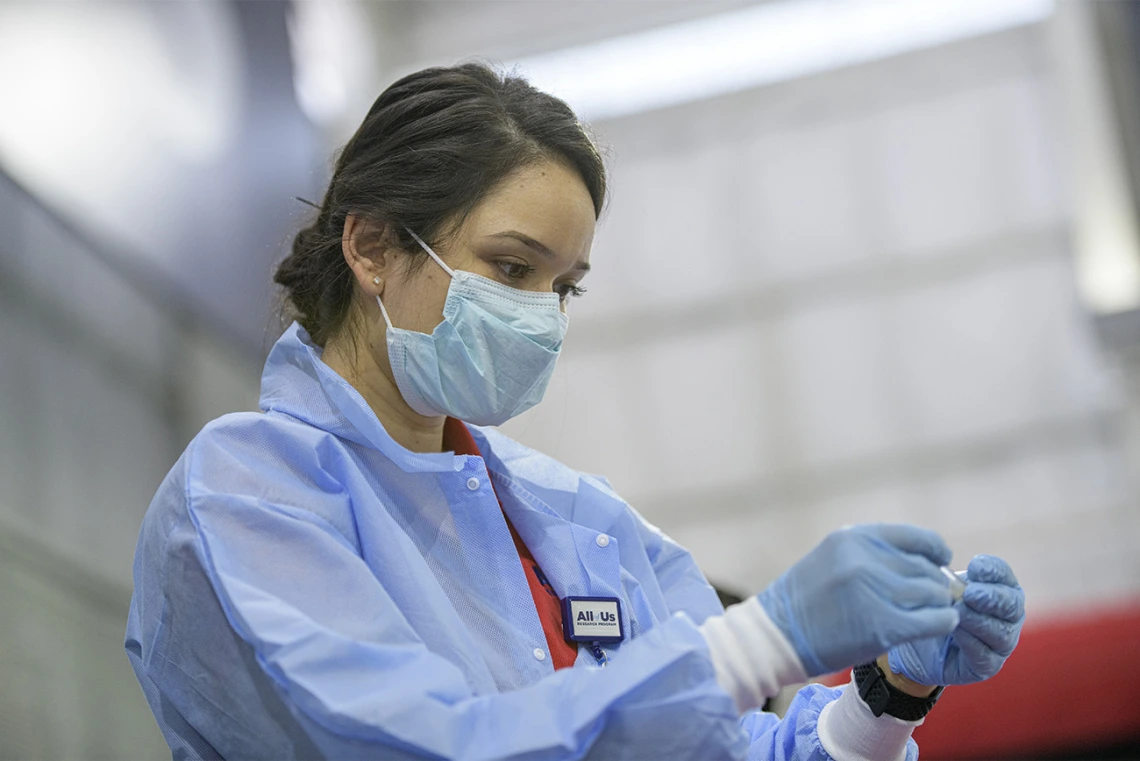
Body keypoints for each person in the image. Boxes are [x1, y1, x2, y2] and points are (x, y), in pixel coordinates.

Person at [124, 63, 1025, 761]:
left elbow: (714, 742)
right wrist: (763, 638)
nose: (541, 316)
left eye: (566, 286)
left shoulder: (575, 518)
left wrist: (885, 698)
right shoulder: (248, 500)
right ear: (371, 245)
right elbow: (419, 745)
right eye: (513, 269)